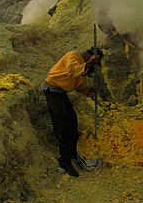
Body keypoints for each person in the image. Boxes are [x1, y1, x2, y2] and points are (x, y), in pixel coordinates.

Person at [42, 48, 103, 177]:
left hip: (62, 93)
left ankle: (72, 152)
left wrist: (90, 90)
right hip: (53, 90)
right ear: (89, 56)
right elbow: (71, 72)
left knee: (72, 122)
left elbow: (78, 84)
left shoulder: (82, 66)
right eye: (94, 64)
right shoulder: (73, 56)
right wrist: (88, 64)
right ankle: (64, 160)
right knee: (63, 125)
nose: (93, 68)